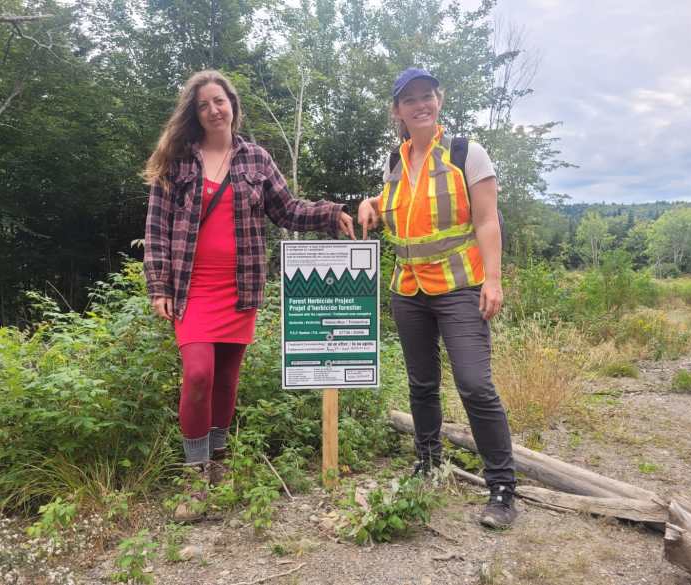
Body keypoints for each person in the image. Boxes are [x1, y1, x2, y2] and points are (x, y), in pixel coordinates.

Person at [143, 70, 355, 520]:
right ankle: (194, 474)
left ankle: (218, 461)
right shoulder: (178, 162)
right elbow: (156, 228)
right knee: (198, 373)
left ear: (233, 105)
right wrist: (158, 285)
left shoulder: (256, 159)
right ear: (194, 114)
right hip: (191, 286)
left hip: (240, 287)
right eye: (204, 105)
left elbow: (288, 209)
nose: (214, 110)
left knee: (226, 379)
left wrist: (331, 213)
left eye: (219, 101)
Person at [357, 67, 518, 529]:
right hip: (409, 289)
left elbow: (488, 221)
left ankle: (502, 488)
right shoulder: (395, 160)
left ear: (439, 101)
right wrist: (371, 203)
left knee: (474, 383)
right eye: (410, 100)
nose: (420, 105)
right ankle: (427, 465)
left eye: (427, 96)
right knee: (421, 384)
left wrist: (493, 280)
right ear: (398, 111)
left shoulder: (468, 153)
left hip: (460, 287)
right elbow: (399, 201)